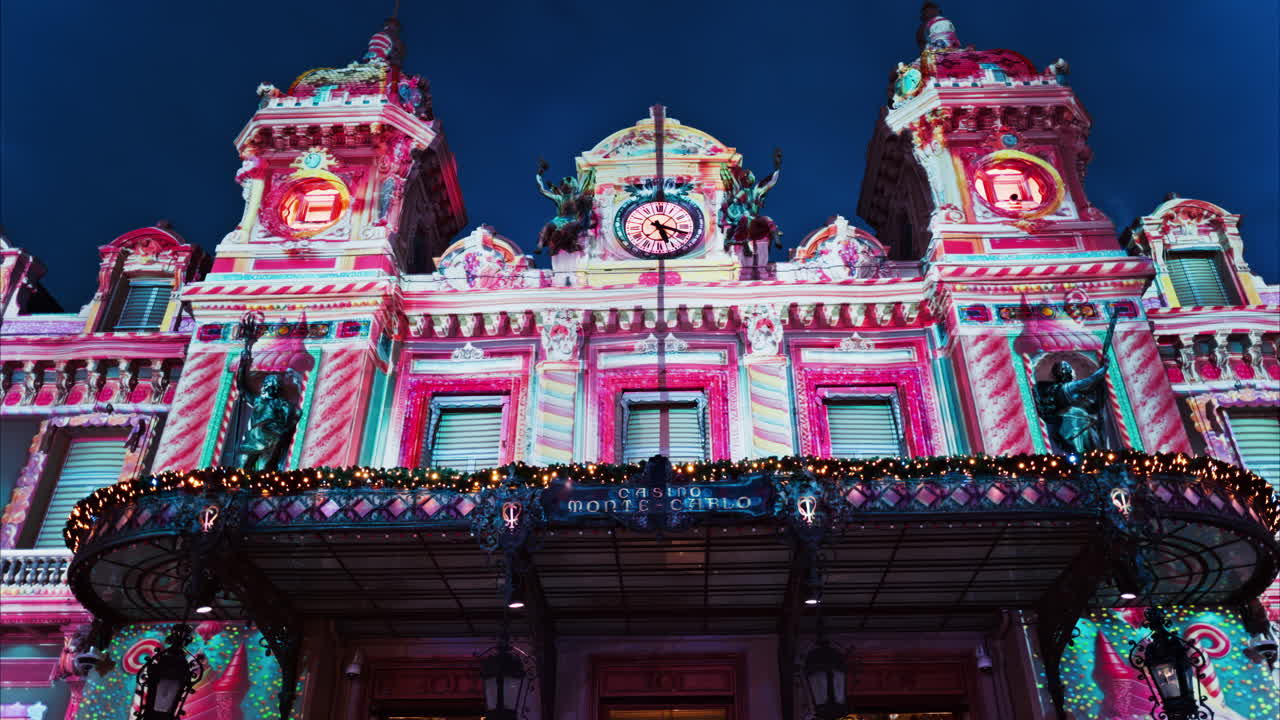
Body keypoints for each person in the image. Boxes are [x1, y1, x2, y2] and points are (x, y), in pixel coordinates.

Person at [234, 316, 299, 470]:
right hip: (254, 437)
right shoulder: (257, 400)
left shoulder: (282, 404)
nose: (270, 386)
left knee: (265, 469)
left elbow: (291, 419)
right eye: (268, 383)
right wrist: (245, 356)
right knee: (244, 466)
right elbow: (241, 385)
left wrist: (277, 433)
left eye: (273, 384)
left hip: (271, 438)